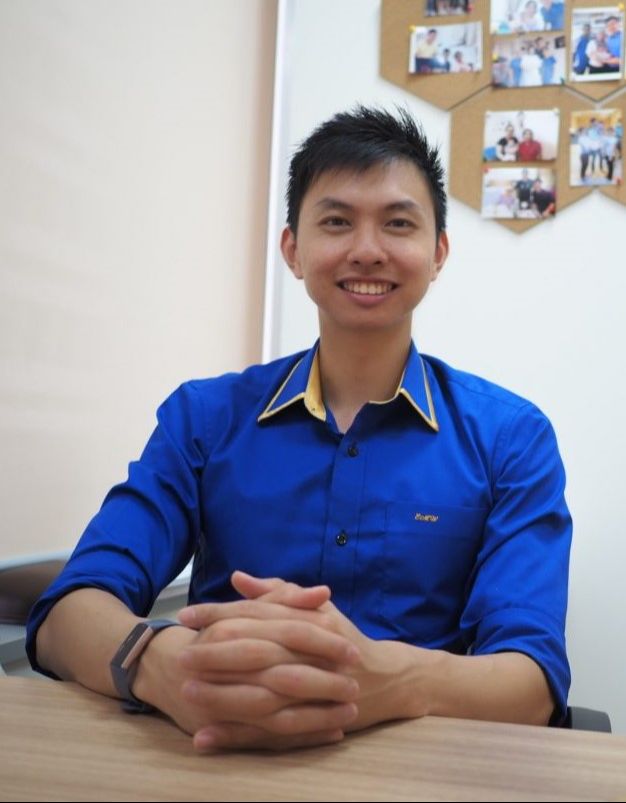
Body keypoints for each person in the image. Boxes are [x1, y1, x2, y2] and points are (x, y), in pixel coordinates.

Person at [26, 107, 572, 754]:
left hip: (416, 774)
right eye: (336, 221)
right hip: (217, 759)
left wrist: (385, 677)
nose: (367, 249)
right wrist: (162, 663)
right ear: (293, 250)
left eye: (398, 223)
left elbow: (532, 683)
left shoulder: (510, 438)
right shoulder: (204, 418)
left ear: (437, 253)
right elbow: (67, 613)